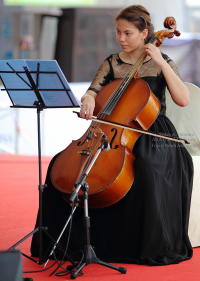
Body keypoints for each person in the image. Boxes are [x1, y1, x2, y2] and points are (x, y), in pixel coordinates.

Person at [31, 5, 193, 265]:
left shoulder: (162, 62)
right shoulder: (112, 62)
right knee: (59, 165)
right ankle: (63, 243)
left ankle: (139, 244)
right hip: (110, 128)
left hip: (152, 131)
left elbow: (183, 99)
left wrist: (162, 61)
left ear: (144, 33)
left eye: (127, 33)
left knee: (149, 167)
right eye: (118, 32)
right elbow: (94, 90)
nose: (121, 38)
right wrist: (88, 99)